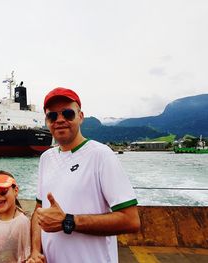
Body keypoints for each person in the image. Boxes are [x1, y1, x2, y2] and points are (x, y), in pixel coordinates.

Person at [28, 88, 140, 263]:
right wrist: (35, 251)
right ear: (47, 121)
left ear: (80, 116)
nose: (59, 120)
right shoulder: (46, 159)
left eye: (67, 113)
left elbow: (131, 220)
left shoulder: (101, 155)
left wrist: (68, 221)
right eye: (52, 116)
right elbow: (38, 212)